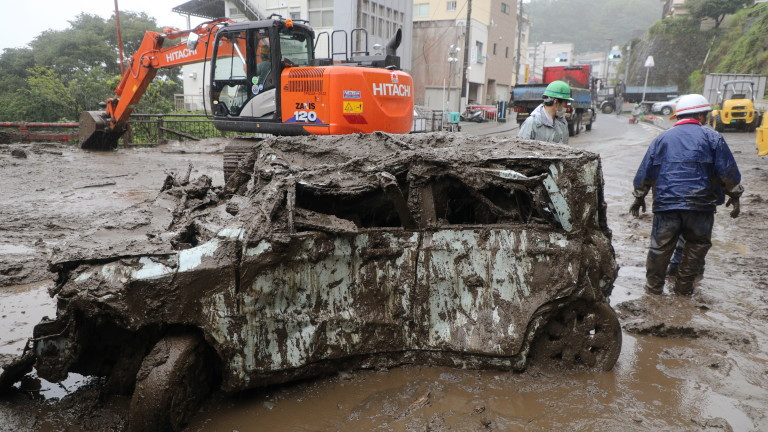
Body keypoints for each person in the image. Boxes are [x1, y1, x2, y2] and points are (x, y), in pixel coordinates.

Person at [630, 94, 743, 296]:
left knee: (659, 248)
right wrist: (734, 195)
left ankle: (653, 292)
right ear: (701, 115)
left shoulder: (661, 138)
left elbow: (645, 171)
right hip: (701, 205)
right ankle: (683, 290)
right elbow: (727, 171)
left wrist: (639, 196)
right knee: (697, 245)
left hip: (667, 203)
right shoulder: (713, 137)